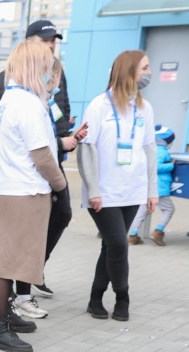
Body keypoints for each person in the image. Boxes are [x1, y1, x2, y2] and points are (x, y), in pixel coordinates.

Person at [0, 41, 68, 352]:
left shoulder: (11, 98)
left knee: (10, 259)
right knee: (6, 263)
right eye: (47, 64)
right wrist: (60, 186)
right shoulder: (29, 104)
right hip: (24, 191)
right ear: (35, 67)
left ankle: (7, 317)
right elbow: (43, 156)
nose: (51, 72)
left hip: (10, 188)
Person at [78, 49, 156, 322]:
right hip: (104, 193)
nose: (149, 73)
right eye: (145, 68)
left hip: (133, 190)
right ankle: (123, 297)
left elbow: (149, 150)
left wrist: (152, 190)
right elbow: (86, 149)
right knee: (119, 245)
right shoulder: (99, 105)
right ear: (129, 70)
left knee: (111, 247)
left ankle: (95, 298)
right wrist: (94, 190)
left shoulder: (144, 108)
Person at [128, 125, 176, 246]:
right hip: (160, 186)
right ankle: (158, 231)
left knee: (142, 211)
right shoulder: (161, 150)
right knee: (169, 209)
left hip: (146, 185)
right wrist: (171, 165)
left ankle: (133, 235)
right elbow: (155, 167)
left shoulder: (150, 148)